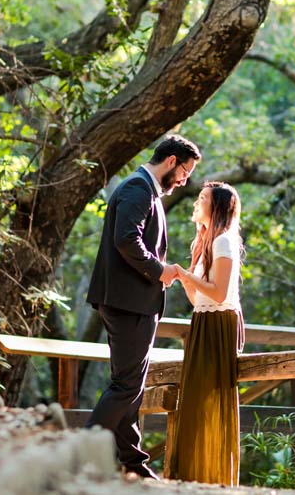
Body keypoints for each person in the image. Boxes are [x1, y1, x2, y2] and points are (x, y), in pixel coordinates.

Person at [85, 134, 201, 480]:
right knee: (126, 386)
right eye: (185, 171)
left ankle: (133, 462)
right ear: (171, 162)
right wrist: (160, 270)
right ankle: (77, 454)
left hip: (130, 302)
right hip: (129, 304)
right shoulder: (138, 188)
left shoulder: (145, 189)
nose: (185, 180)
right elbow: (126, 239)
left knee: (130, 385)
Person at [169, 181, 244, 486]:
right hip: (202, 323)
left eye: (202, 199)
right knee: (193, 403)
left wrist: (187, 276)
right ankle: (193, 475)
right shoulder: (203, 243)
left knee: (211, 405)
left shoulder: (224, 242)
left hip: (219, 326)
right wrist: (184, 280)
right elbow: (198, 299)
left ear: (217, 208)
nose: (196, 203)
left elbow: (219, 293)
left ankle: (215, 477)